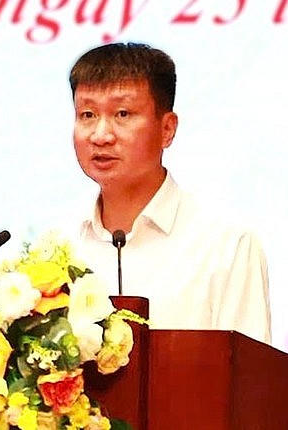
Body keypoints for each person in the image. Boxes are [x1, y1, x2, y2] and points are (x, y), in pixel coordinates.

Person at [70, 42, 271, 344]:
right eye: (87, 114)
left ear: (167, 129)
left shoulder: (226, 245)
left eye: (122, 114)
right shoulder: (60, 247)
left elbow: (249, 371)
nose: (101, 135)